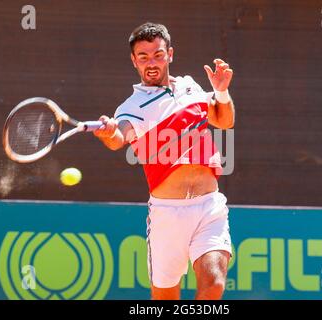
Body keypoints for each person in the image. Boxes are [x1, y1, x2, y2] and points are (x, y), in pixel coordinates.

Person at [94, 22, 235, 300]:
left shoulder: (189, 86)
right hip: (167, 215)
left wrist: (221, 93)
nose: (151, 63)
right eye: (143, 57)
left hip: (209, 206)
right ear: (134, 61)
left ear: (169, 54)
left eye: (157, 55)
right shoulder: (131, 108)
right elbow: (119, 137)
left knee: (214, 283)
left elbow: (224, 120)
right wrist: (109, 132)